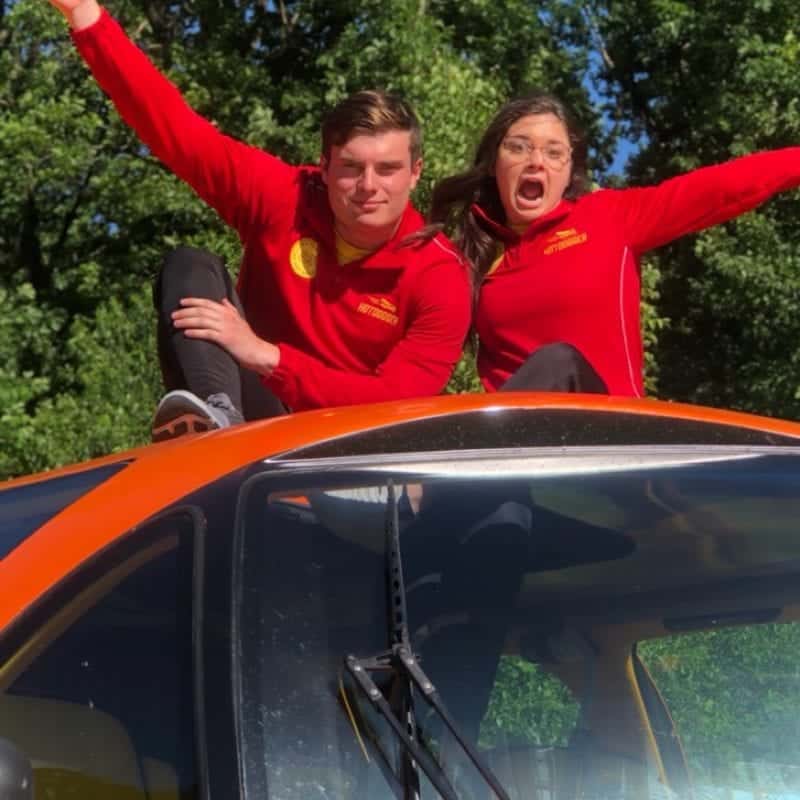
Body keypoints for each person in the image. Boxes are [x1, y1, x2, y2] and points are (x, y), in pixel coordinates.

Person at [47, 0, 471, 441]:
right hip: (254, 416)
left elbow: (398, 401)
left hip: (349, 445)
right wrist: (85, 16)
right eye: (351, 167)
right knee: (189, 265)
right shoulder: (284, 196)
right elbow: (177, 132)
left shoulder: (440, 273)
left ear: (415, 173)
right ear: (324, 167)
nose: (368, 185)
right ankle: (213, 422)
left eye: (387, 169)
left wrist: (267, 356)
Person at [429, 92, 800, 397]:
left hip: (609, 435)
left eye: (554, 152)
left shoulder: (609, 218)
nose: (536, 162)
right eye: (519, 148)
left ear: (569, 171)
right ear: (494, 163)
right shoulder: (469, 258)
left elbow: (720, 189)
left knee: (558, 362)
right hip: (521, 446)